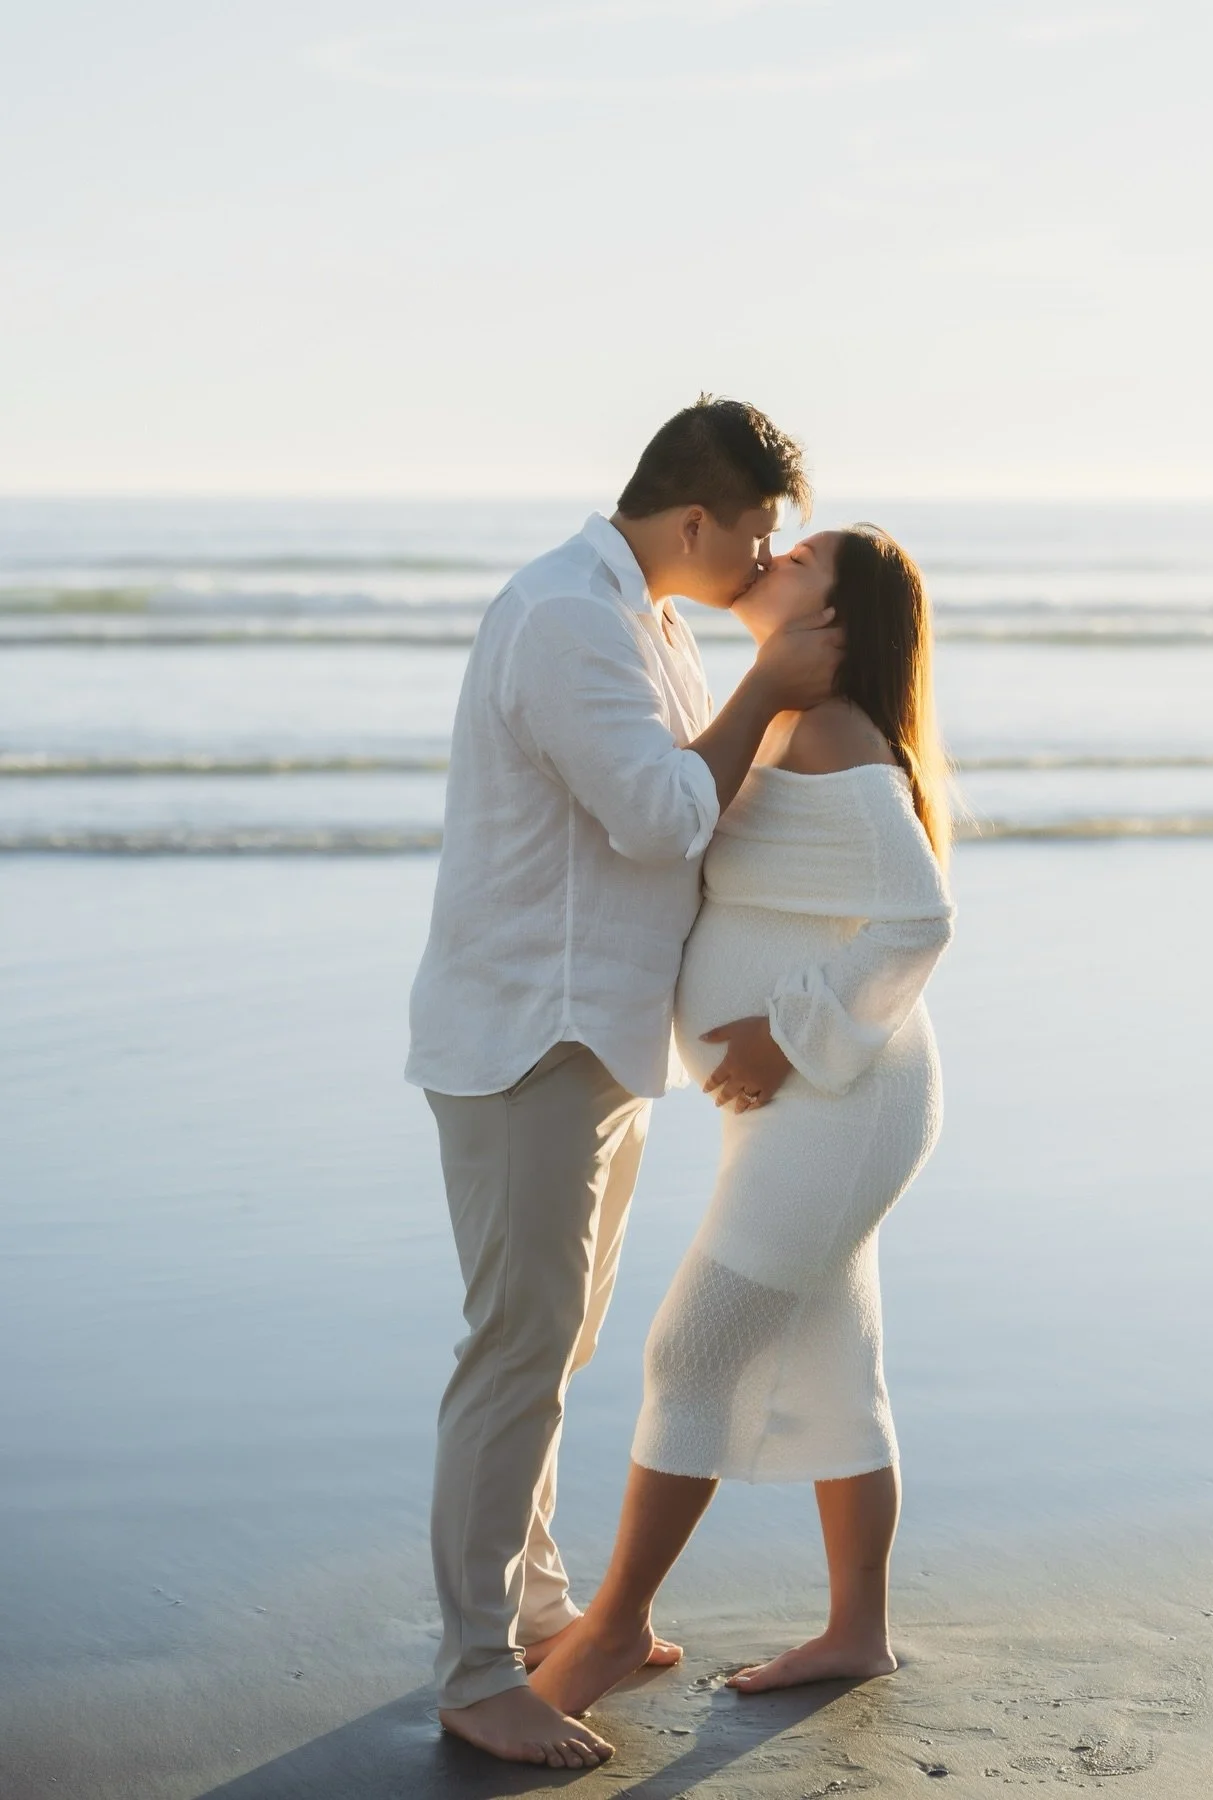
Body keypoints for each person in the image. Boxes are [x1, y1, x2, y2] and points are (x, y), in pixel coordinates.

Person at [404, 397, 843, 1769]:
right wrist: (771, 688)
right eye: (759, 532)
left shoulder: (643, 621)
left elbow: (688, 813)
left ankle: (534, 1605)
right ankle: (477, 1670)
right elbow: (660, 817)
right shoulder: (567, 620)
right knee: (516, 1352)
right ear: (698, 517)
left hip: (594, 1036)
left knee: (558, 1347)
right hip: (529, 1037)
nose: (766, 558)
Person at [530, 525, 954, 1720]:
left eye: (804, 556)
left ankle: (613, 1628)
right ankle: (857, 1633)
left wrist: (789, 1029)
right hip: (820, 1102)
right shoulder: (779, 718)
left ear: (839, 617)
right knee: (832, 1359)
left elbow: (922, 918)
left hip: (845, 1096)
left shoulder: (834, 733)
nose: (776, 556)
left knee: (691, 1350)